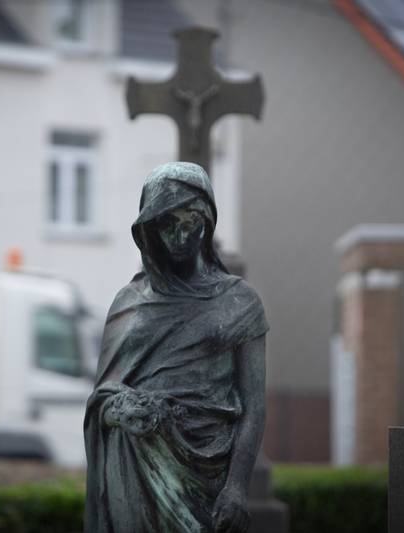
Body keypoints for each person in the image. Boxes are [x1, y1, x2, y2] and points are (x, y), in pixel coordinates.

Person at [84, 162, 268, 533]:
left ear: (207, 223)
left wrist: (236, 486)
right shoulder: (129, 303)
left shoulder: (240, 302)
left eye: (190, 221)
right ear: (149, 229)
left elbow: (254, 405)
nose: (179, 235)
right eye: (166, 224)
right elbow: (102, 396)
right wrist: (121, 411)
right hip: (133, 465)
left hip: (208, 471)